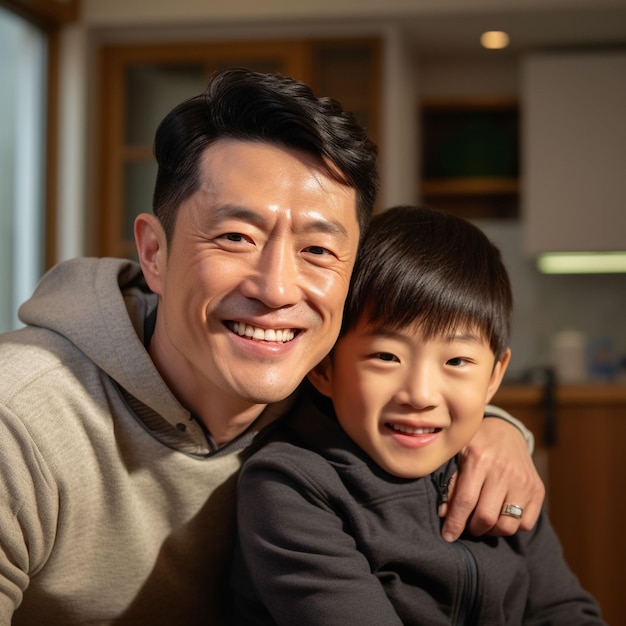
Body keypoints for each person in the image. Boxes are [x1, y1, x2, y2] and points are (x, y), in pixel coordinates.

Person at [0, 69, 542, 625]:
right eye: (237, 237)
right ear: (155, 253)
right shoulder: (18, 420)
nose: (277, 289)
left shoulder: (318, 386)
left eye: (318, 251)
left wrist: (496, 428)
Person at [229, 205, 604, 626]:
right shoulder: (290, 486)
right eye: (387, 356)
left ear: (495, 376)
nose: (420, 394)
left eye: (458, 361)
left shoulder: (497, 472)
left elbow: (565, 611)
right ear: (323, 366)